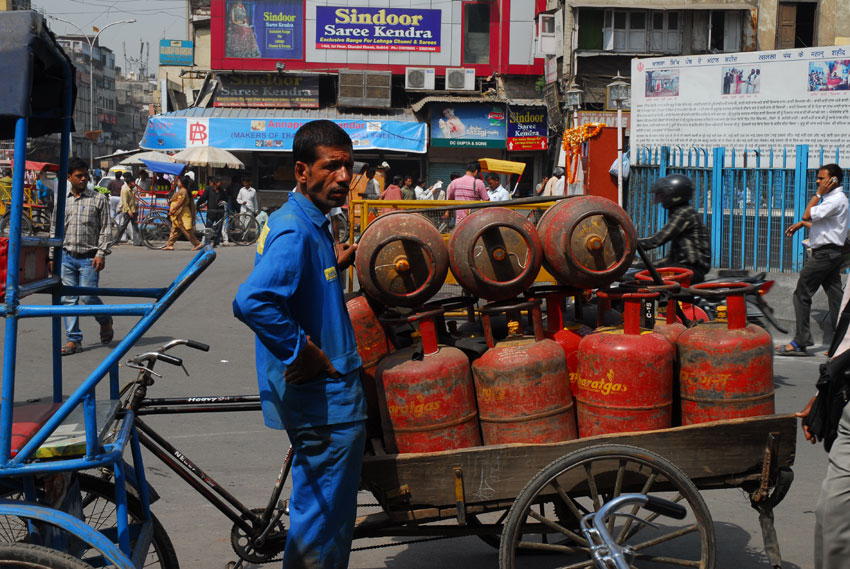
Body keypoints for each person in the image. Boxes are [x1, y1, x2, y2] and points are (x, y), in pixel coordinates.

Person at [232, 120, 364, 569]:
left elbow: (301, 282)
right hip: (323, 401)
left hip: (323, 396)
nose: (344, 177)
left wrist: (333, 260)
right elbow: (254, 301)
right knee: (323, 524)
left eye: (348, 166)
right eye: (331, 167)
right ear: (302, 171)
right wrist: (300, 351)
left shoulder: (310, 223)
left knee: (320, 514)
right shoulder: (294, 230)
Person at [778, 164, 849, 356]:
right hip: (831, 253)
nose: (818, 181)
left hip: (824, 255)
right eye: (818, 178)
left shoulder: (834, 200)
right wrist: (803, 224)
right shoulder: (835, 200)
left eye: (821, 178)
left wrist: (817, 194)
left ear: (832, 180)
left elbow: (807, 213)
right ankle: (842, 343)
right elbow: (826, 226)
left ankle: (801, 341)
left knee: (801, 293)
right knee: (836, 298)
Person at [51, 157, 114, 355]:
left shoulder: (98, 199)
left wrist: (101, 253)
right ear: (69, 177)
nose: (84, 179)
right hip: (67, 256)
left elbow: (106, 229)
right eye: (79, 176)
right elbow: (55, 228)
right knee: (68, 299)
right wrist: (53, 255)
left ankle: (105, 319)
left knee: (87, 297)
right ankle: (74, 339)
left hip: (89, 257)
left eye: (86, 175)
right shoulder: (62, 201)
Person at [637, 174, 711, 284]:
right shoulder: (680, 212)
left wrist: (630, 242)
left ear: (674, 195)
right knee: (637, 273)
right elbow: (670, 259)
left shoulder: (684, 213)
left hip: (689, 270)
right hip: (682, 268)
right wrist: (645, 266)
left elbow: (656, 240)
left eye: (662, 195)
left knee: (638, 280)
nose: (660, 200)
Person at [162, 175, 202, 251]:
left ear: (182, 183)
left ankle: (197, 244)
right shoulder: (184, 191)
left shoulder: (183, 191)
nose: (178, 182)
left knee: (186, 230)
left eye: (179, 181)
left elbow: (179, 203)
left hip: (182, 214)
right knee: (175, 230)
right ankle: (169, 245)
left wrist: (172, 210)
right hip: (180, 214)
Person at [196, 176, 228, 247]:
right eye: (219, 182)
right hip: (211, 212)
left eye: (221, 182)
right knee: (208, 228)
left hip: (219, 212)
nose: (220, 183)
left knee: (218, 229)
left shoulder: (222, 191)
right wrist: (198, 204)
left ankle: (216, 243)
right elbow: (203, 198)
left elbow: (226, 199)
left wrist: (222, 201)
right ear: (215, 183)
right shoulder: (208, 189)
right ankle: (207, 242)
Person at [111, 172, 140, 246]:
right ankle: (115, 240)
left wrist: (137, 206)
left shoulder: (133, 189)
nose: (134, 183)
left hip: (134, 210)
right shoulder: (125, 189)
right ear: (130, 183)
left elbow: (135, 199)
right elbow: (124, 201)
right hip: (128, 211)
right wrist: (128, 210)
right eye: (133, 182)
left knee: (135, 226)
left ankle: (137, 241)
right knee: (123, 227)